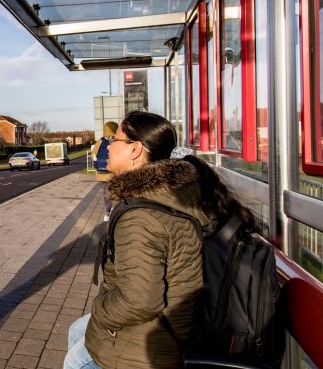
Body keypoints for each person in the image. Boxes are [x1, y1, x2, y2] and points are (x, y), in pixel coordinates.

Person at [65, 111, 256, 369]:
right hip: (182, 323)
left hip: (154, 342)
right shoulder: (175, 190)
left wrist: (100, 310)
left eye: (115, 139)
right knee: (78, 329)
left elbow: (140, 300)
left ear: (135, 150)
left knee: (75, 361)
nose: (107, 146)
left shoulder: (141, 215)